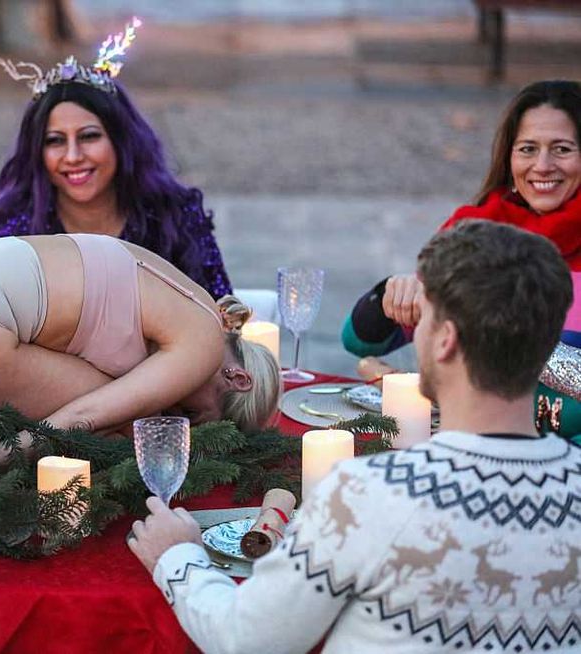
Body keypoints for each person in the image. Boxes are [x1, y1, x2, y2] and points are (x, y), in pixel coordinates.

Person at [128, 221, 579, 653]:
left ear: (445, 340)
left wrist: (178, 559)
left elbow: (246, 638)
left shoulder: (370, 495)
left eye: (423, 318)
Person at [0, 233, 277, 436]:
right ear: (237, 378)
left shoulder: (194, 297)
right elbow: (79, 417)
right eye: (196, 415)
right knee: (132, 428)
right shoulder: (203, 342)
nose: (177, 412)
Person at [342, 80, 580, 361]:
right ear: (508, 158)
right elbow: (360, 342)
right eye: (528, 149)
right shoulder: (474, 233)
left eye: (562, 149)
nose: (542, 166)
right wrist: (391, 295)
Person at [0, 43, 233, 300]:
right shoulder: (18, 232)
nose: (73, 156)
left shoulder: (174, 214)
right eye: (55, 141)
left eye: (89, 136)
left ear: (122, 140)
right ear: (36, 151)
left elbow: (222, 310)